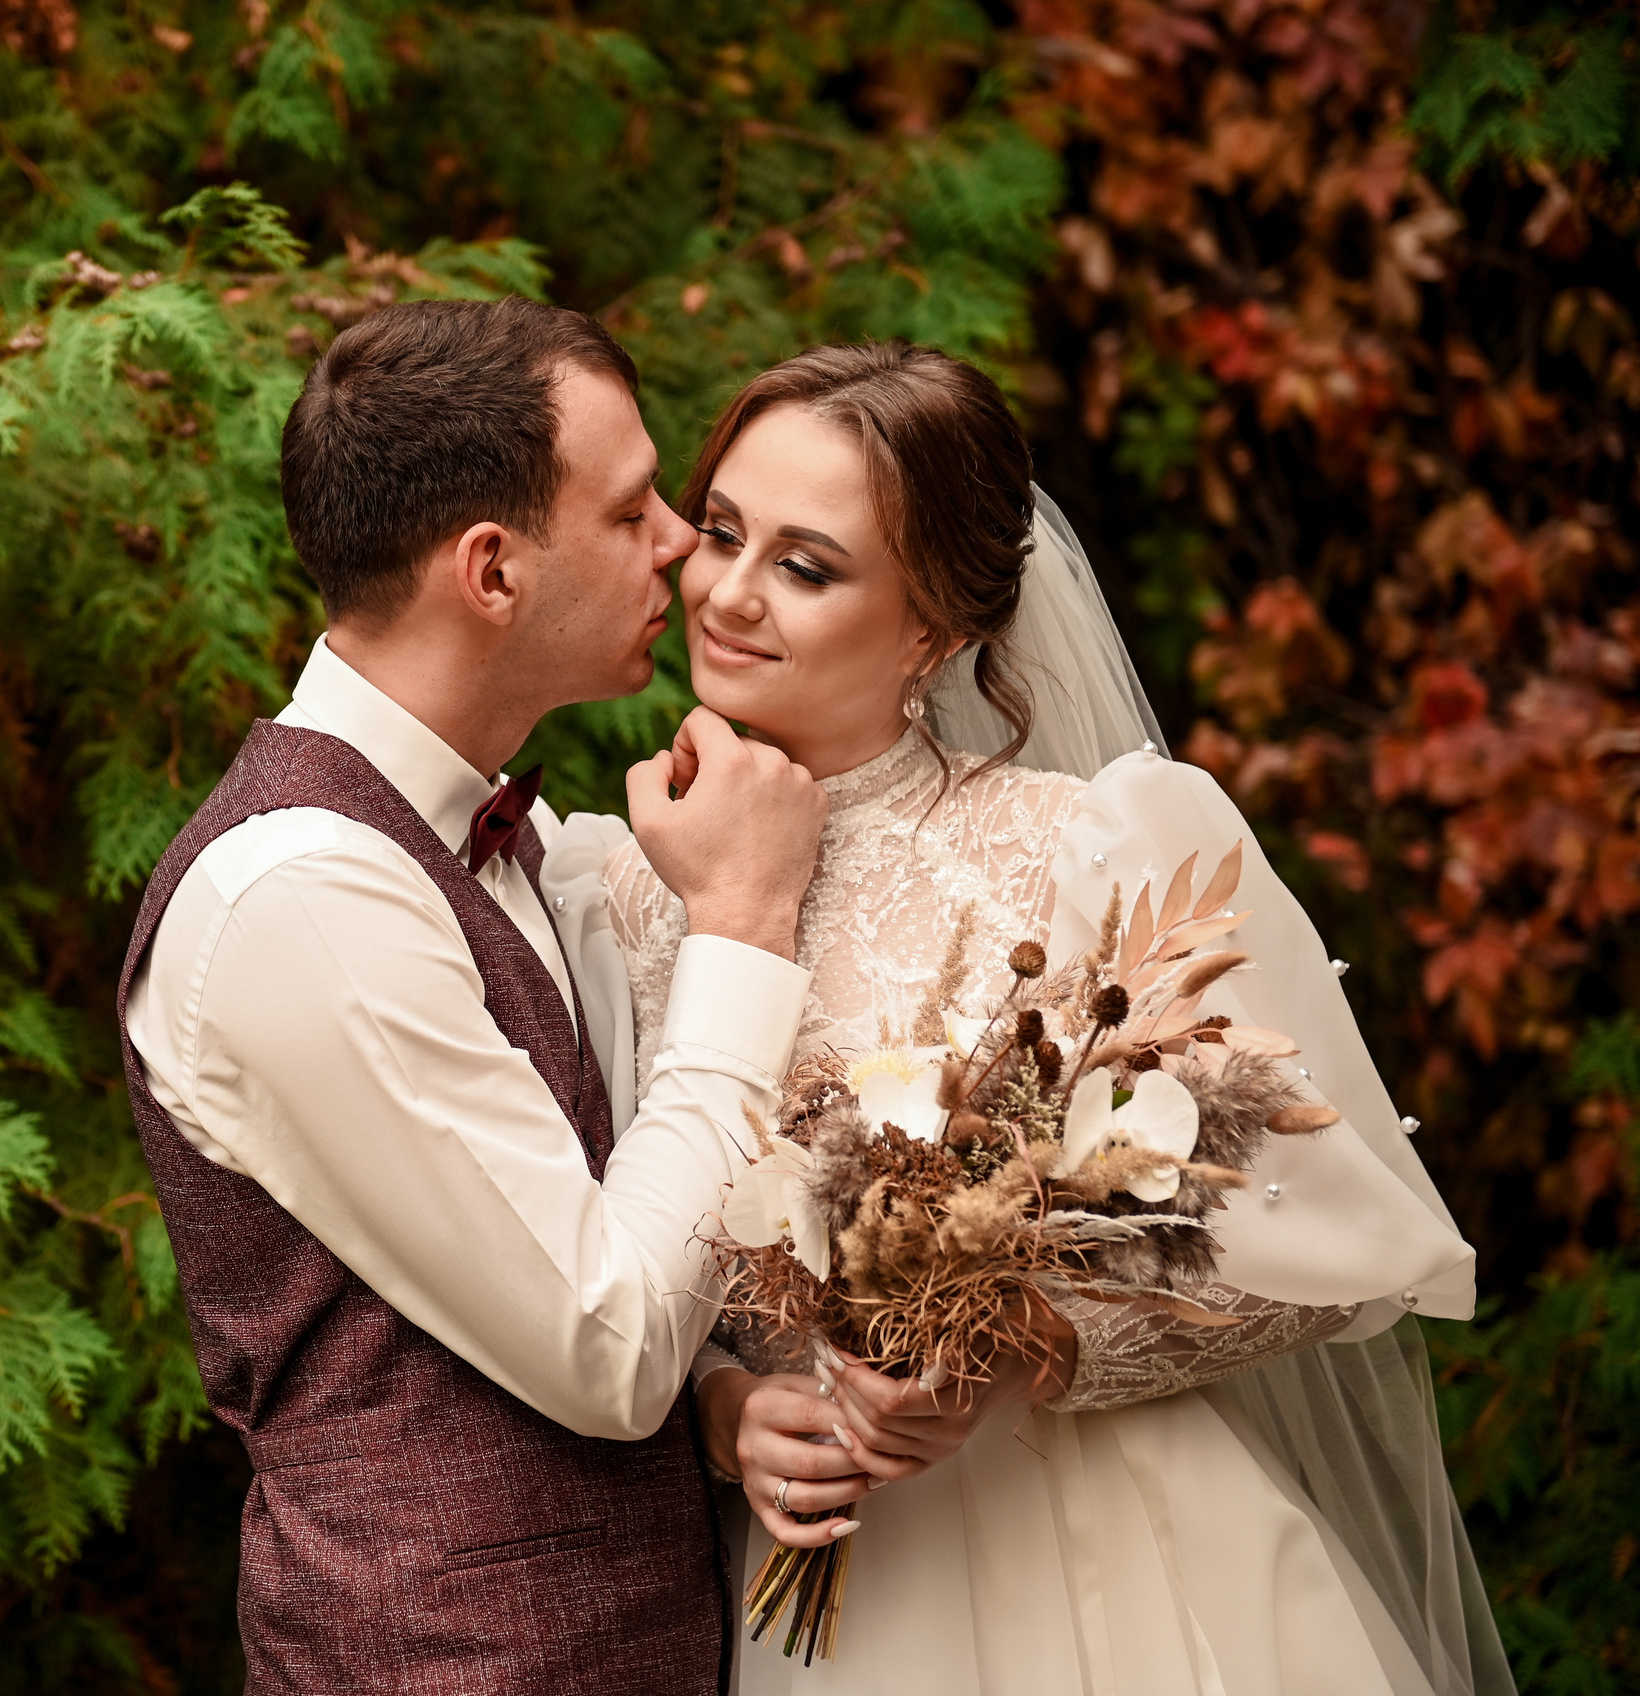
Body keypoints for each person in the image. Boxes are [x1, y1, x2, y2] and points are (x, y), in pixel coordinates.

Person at [555, 342, 1513, 1695]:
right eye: (720, 533)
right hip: (813, 1595)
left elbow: (1320, 1247)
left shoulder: (1093, 852)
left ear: (940, 627)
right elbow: (602, 1261)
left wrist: (1022, 1347)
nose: (728, 591)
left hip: (1107, 1567)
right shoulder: (602, 887)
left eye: (807, 565)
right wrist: (729, 1413)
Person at [118, 297, 833, 1692]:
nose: (683, 548)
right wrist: (743, 928)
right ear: (492, 572)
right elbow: (610, 1338)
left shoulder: (533, 851)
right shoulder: (299, 901)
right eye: (634, 514)